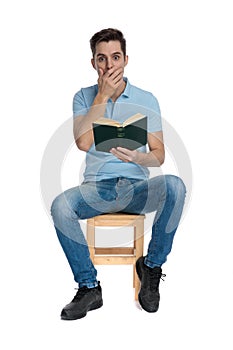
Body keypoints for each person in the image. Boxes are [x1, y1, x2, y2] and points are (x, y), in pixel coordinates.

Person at [51, 28, 186, 320]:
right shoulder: (83, 97)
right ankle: (89, 287)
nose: (109, 65)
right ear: (93, 63)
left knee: (175, 185)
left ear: (126, 59)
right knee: (60, 206)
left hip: (137, 188)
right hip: (96, 190)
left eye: (115, 57)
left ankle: (150, 268)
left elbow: (159, 154)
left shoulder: (147, 99)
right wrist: (102, 97)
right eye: (102, 59)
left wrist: (140, 156)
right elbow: (83, 143)